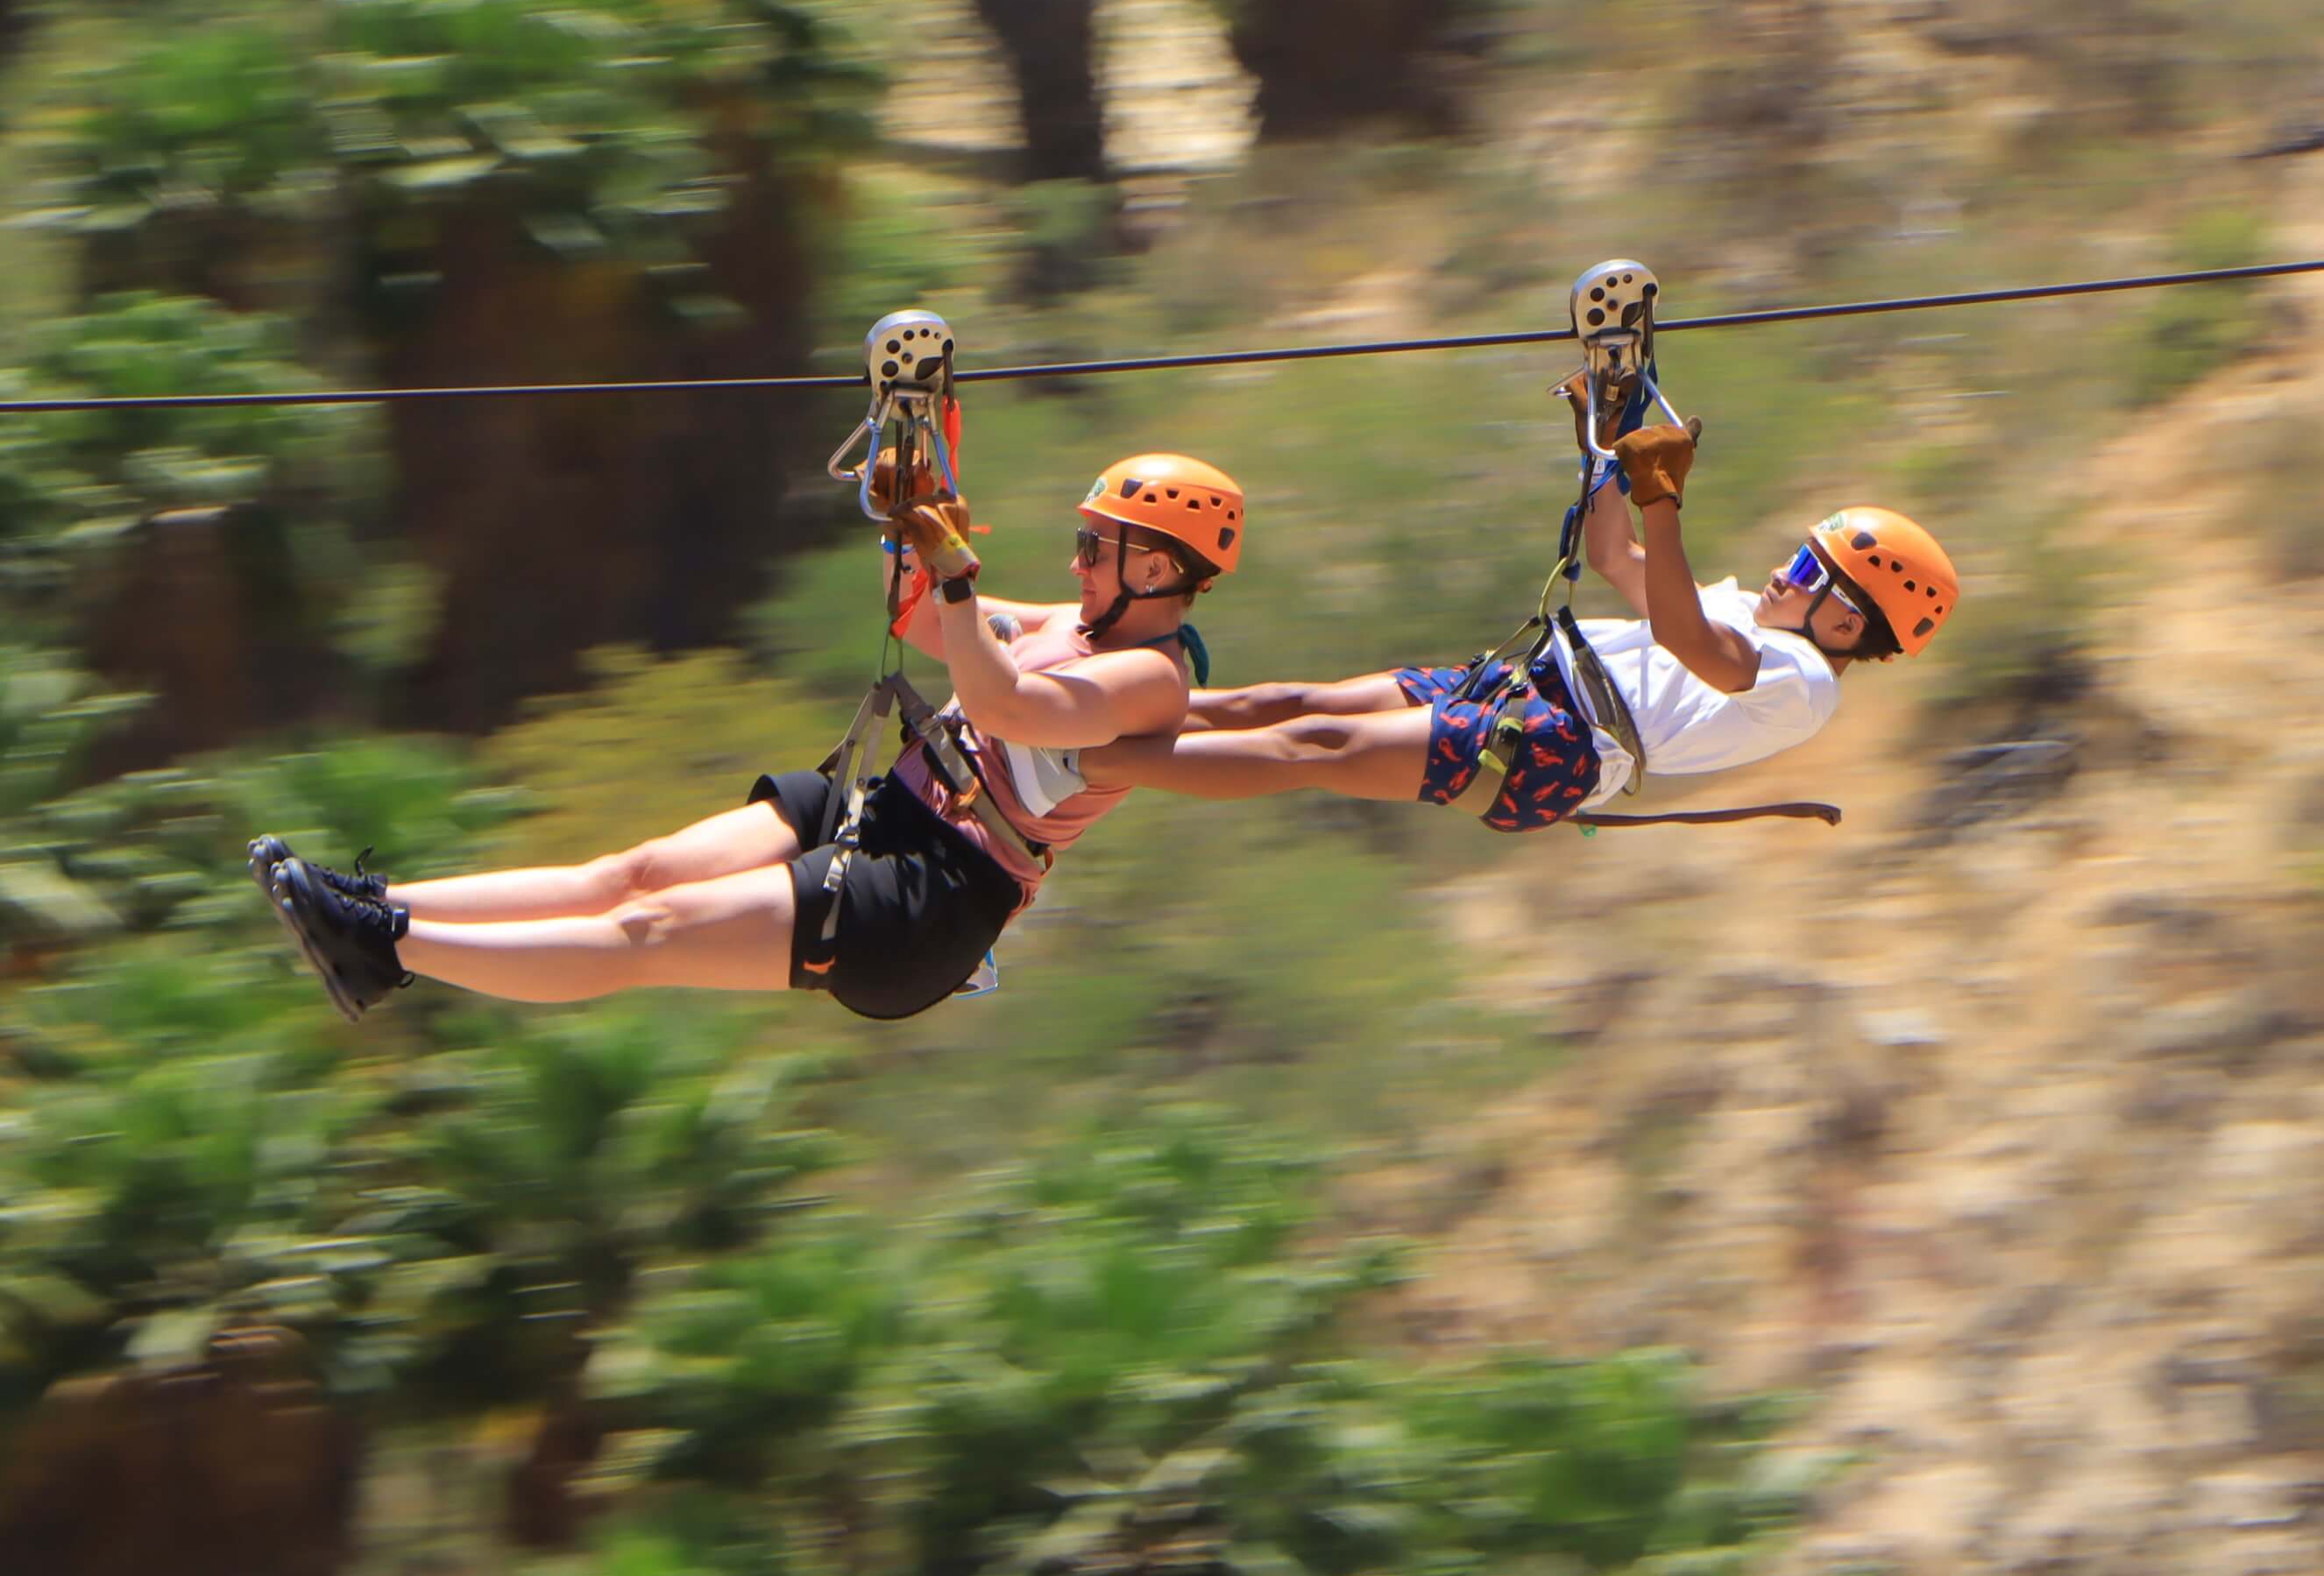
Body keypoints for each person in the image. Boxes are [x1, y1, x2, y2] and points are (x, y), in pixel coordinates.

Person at [253, 455, 1245, 1024]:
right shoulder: (1067, 629)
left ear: (1157, 570)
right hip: (892, 807)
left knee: (649, 934)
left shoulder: (1150, 681)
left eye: (1094, 548)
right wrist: (908, 522)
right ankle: (370, 903)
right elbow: (924, 623)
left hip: (931, 895)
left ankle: (386, 950)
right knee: (634, 874)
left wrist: (957, 575)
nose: (1077, 565)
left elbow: (1008, 708)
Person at [1079, 416, 1956, 830]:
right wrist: (1611, 446)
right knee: (1294, 700)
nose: (1779, 570)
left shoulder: (1802, 683)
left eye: (1807, 572)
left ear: (1845, 624)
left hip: (1560, 745)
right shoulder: (1737, 612)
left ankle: (1078, 759)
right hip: (1529, 689)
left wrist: (1663, 497)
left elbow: (1692, 644)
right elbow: (1615, 556)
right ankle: (1094, 716)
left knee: (1319, 744)